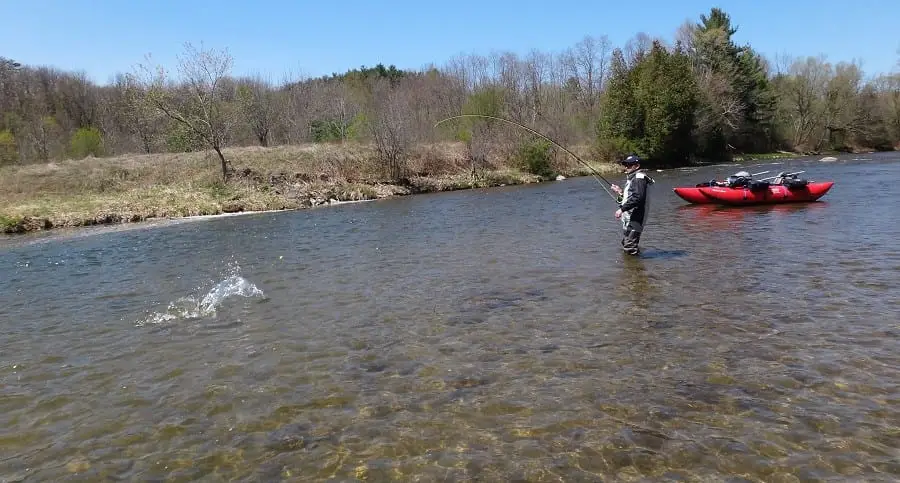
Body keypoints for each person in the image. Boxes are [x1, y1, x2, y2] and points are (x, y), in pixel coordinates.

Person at [611, 154, 654, 256]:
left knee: (629, 246)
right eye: (626, 164)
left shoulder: (639, 178)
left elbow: (638, 198)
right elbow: (630, 198)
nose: (626, 167)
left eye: (629, 165)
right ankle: (633, 267)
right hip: (630, 217)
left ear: (637, 166)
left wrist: (621, 209)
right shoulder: (633, 179)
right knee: (626, 243)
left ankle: (635, 270)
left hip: (637, 216)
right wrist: (620, 192)